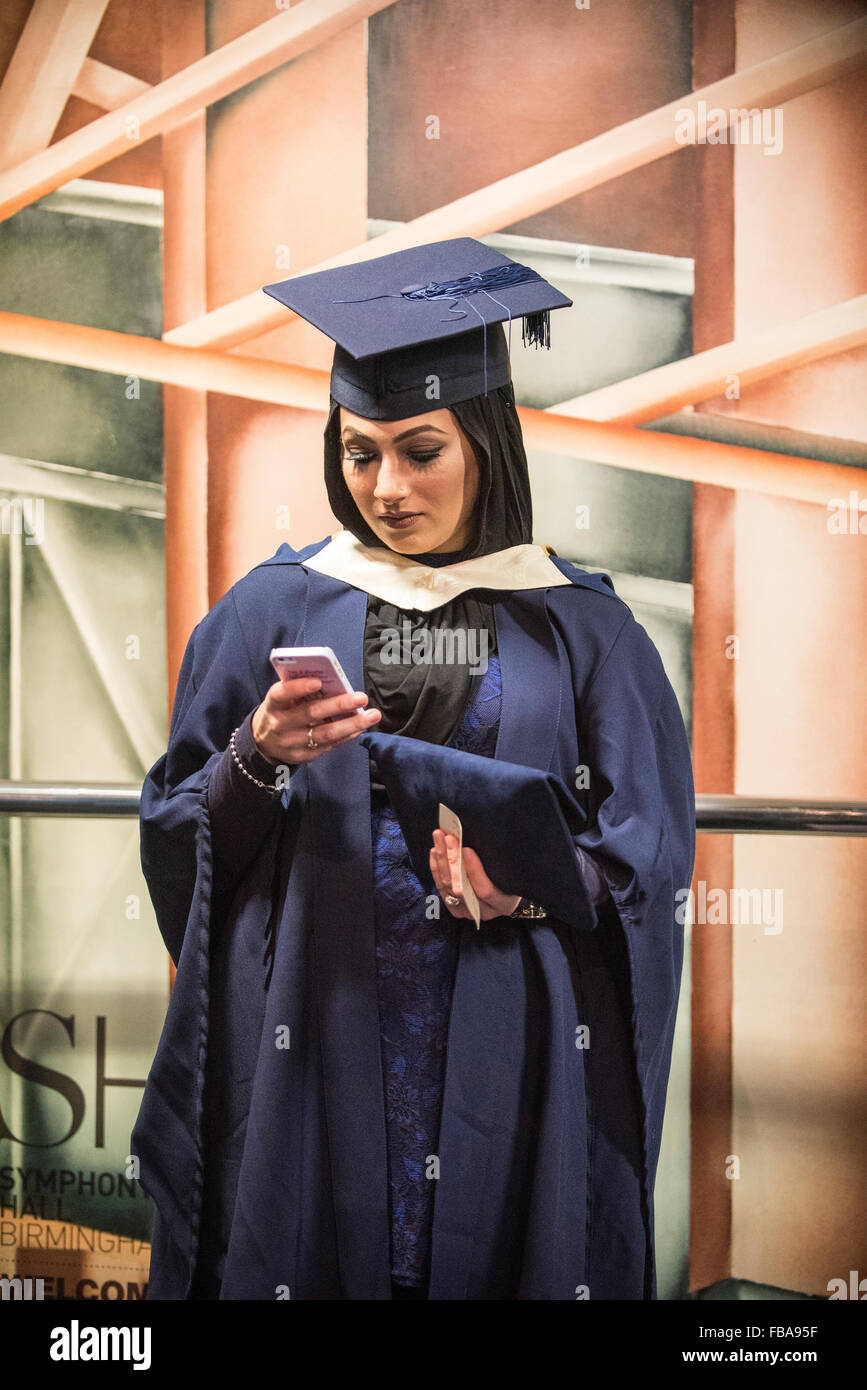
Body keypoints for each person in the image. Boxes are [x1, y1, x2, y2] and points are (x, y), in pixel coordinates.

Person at [131, 238, 695, 1301]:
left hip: (507, 1040)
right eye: (359, 452)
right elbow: (178, 825)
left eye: (421, 449)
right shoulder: (274, 609)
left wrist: (526, 889)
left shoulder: (583, 630)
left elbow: (647, 863)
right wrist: (258, 758)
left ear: (484, 438)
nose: (386, 487)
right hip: (316, 1020)